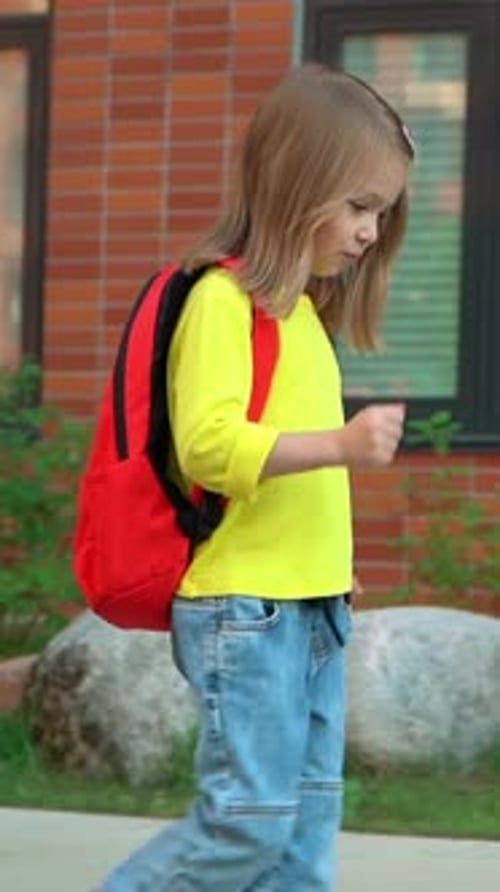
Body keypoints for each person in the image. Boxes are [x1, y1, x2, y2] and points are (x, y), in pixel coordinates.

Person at [98, 62, 414, 892]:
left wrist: (326, 573)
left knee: (303, 845)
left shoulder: (304, 314)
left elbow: (291, 478)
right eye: (357, 205)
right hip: (245, 611)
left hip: (309, 611)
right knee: (246, 824)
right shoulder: (222, 301)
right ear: (295, 186)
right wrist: (343, 447)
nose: (371, 231)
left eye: (382, 211)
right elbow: (210, 446)